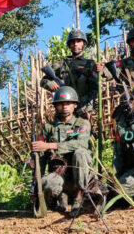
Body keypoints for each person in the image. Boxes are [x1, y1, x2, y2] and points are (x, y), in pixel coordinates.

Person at [31, 86, 93, 217]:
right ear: (56, 106)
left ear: (75, 105)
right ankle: (61, 197)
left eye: (68, 103)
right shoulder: (48, 128)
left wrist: (50, 145)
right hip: (59, 174)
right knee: (46, 183)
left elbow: (81, 143)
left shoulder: (82, 123)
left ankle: (79, 197)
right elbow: (40, 157)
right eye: (61, 103)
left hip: (80, 174)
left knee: (80, 153)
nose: (65, 106)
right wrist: (36, 187)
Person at [40, 29, 98, 118]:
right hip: (63, 109)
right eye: (72, 42)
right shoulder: (60, 64)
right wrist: (50, 84)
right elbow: (43, 81)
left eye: (78, 41)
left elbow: (94, 89)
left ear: (84, 44)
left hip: (82, 109)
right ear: (69, 45)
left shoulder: (89, 64)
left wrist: (88, 109)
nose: (75, 44)